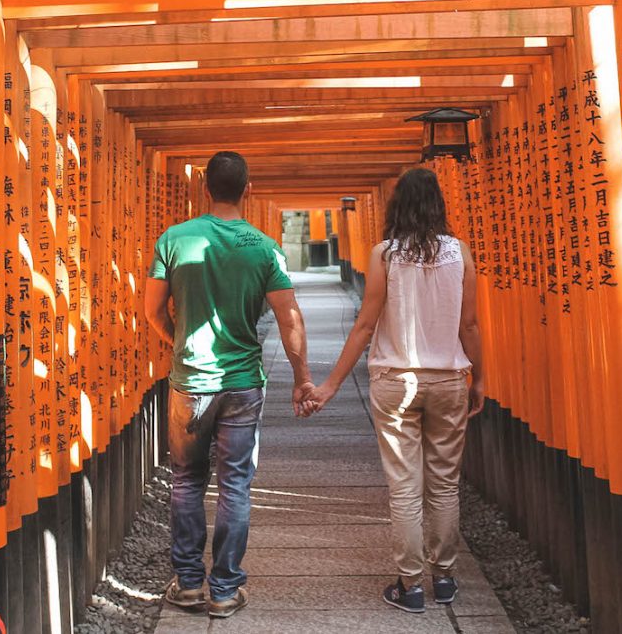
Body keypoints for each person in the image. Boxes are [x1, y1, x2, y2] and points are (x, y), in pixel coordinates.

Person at [305, 166, 484, 613]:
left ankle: (411, 585)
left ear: (396, 207)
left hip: (395, 380)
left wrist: (330, 385)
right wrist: (480, 378)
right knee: (444, 485)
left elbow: (366, 325)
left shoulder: (385, 254)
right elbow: (469, 325)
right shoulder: (460, 252)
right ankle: (445, 578)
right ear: (438, 204)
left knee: (405, 487)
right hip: (448, 379)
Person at [144, 151, 315, 619]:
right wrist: (302, 378)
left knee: (186, 481)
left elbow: (152, 310)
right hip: (242, 384)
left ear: (205, 189)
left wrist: (178, 341)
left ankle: (188, 585)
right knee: (235, 485)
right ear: (248, 190)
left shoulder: (174, 239)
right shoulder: (264, 247)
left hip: (190, 382)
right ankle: (224, 589)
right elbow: (289, 317)